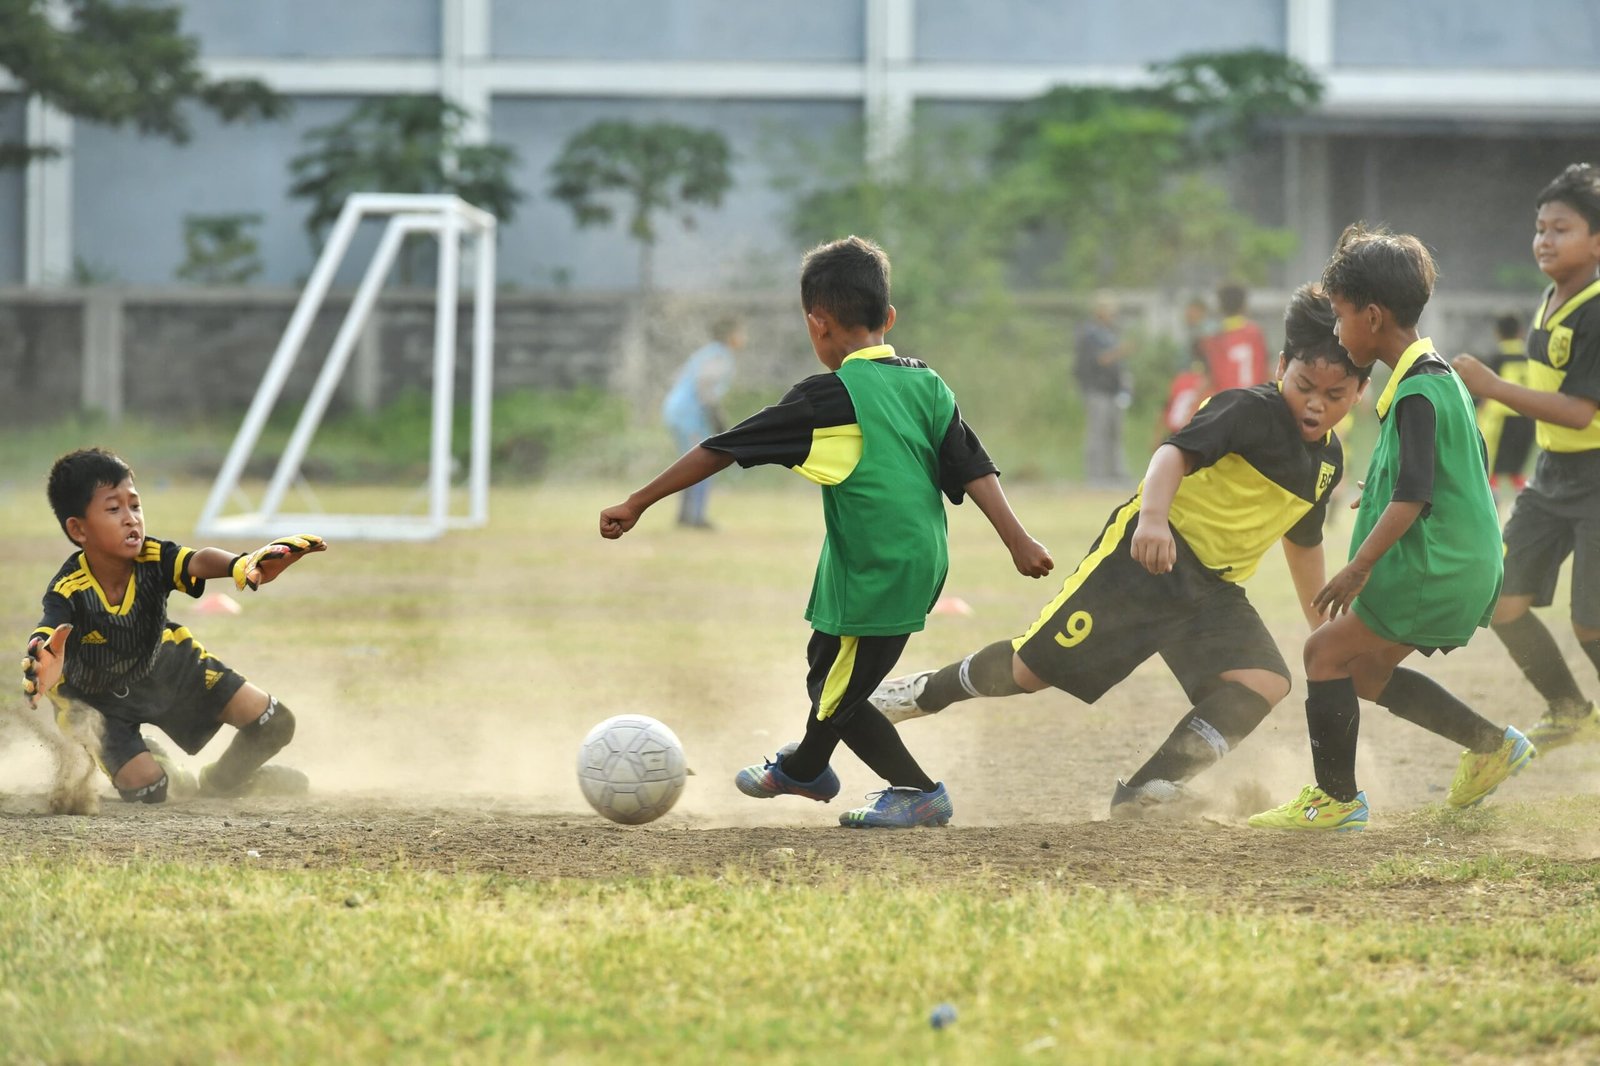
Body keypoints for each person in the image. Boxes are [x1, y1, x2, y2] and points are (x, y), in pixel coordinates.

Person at [600, 236, 1054, 829]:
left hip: (880, 569)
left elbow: (722, 448)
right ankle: (807, 766)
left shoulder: (829, 397)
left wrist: (638, 502)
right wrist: (1018, 540)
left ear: (817, 325)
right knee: (828, 662)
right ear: (887, 318)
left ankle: (916, 791)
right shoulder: (927, 383)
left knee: (836, 694)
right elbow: (972, 464)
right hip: (904, 562)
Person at [871, 284, 1367, 819]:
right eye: (1304, 385)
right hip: (1142, 564)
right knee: (1027, 671)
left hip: (1211, 592)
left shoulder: (1327, 464)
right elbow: (1171, 456)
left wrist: (1322, 628)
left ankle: (1149, 788)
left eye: (1335, 395)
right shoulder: (1246, 410)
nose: (1316, 402)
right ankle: (922, 692)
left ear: (1359, 392)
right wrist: (1152, 520)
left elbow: (1303, 542)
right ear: (1281, 367)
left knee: (1264, 682)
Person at [1252, 225, 1534, 833]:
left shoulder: (1413, 391)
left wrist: (1358, 566)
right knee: (1366, 671)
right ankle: (1492, 744)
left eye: (1341, 315)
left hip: (1432, 568)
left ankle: (1336, 800)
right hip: (1464, 562)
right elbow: (1455, 469)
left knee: (1322, 652)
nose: (1336, 329)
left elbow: (1415, 494)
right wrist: (1378, 495)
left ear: (1372, 316)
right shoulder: (1438, 375)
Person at [21, 448, 325, 804]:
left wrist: (242, 564)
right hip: (94, 697)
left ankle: (224, 782)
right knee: (151, 790)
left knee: (274, 723)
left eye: (134, 505)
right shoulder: (69, 588)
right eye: (113, 509)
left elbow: (196, 560)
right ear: (78, 529)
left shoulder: (153, 557)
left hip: (162, 665)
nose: (131, 518)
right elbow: (48, 629)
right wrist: (43, 659)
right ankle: (157, 763)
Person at [1453, 163, 1600, 753]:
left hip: (1594, 479)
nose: (1544, 239)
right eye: (1540, 227)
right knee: (1504, 602)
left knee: (1590, 624)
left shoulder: (1595, 308)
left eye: (1560, 228)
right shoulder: (1549, 297)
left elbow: (1579, 412)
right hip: (1549, 477)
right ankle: (1568, 708)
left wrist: (1492, 387)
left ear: (1595, 241)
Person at [660, 315, 745, 529]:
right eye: (740, 332)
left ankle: (685, 515)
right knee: (702, 462)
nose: (744, 337)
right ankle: (695, 518)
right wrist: (717, 419)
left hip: (678, 410)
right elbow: (704, 384)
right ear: (729, 335)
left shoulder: (707, 353)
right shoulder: (720, 355)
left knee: (688, 463)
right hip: (688, 415)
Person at [1473, 312, 1535, 500]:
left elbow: (1483, 392)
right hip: (1527, 419)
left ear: (1498, 333)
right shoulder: (1532, 358)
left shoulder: (1495, 359)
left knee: (1491, 470)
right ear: (1521, 332)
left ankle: (1494, 512)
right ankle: (1525, 506)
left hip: (1500, 421)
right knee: (1517, 470)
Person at [1076, 291, 1132, 488]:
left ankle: (1115, 472)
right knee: (1097, 432)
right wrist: (1120, 352)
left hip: (1114, 390)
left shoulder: (1111, 333)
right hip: (1097, 389)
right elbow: (1098, 360)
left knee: (1115, 432)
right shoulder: (1090, 335)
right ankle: (1096, 474)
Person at [1202, 283, 1270, 392]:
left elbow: (1211, 379)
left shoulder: (1214, 340)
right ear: (1244, 306)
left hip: (1227, 404)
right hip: (1255, 400)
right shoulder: (1256, 333)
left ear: (1220, 307)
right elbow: (1266, 370)